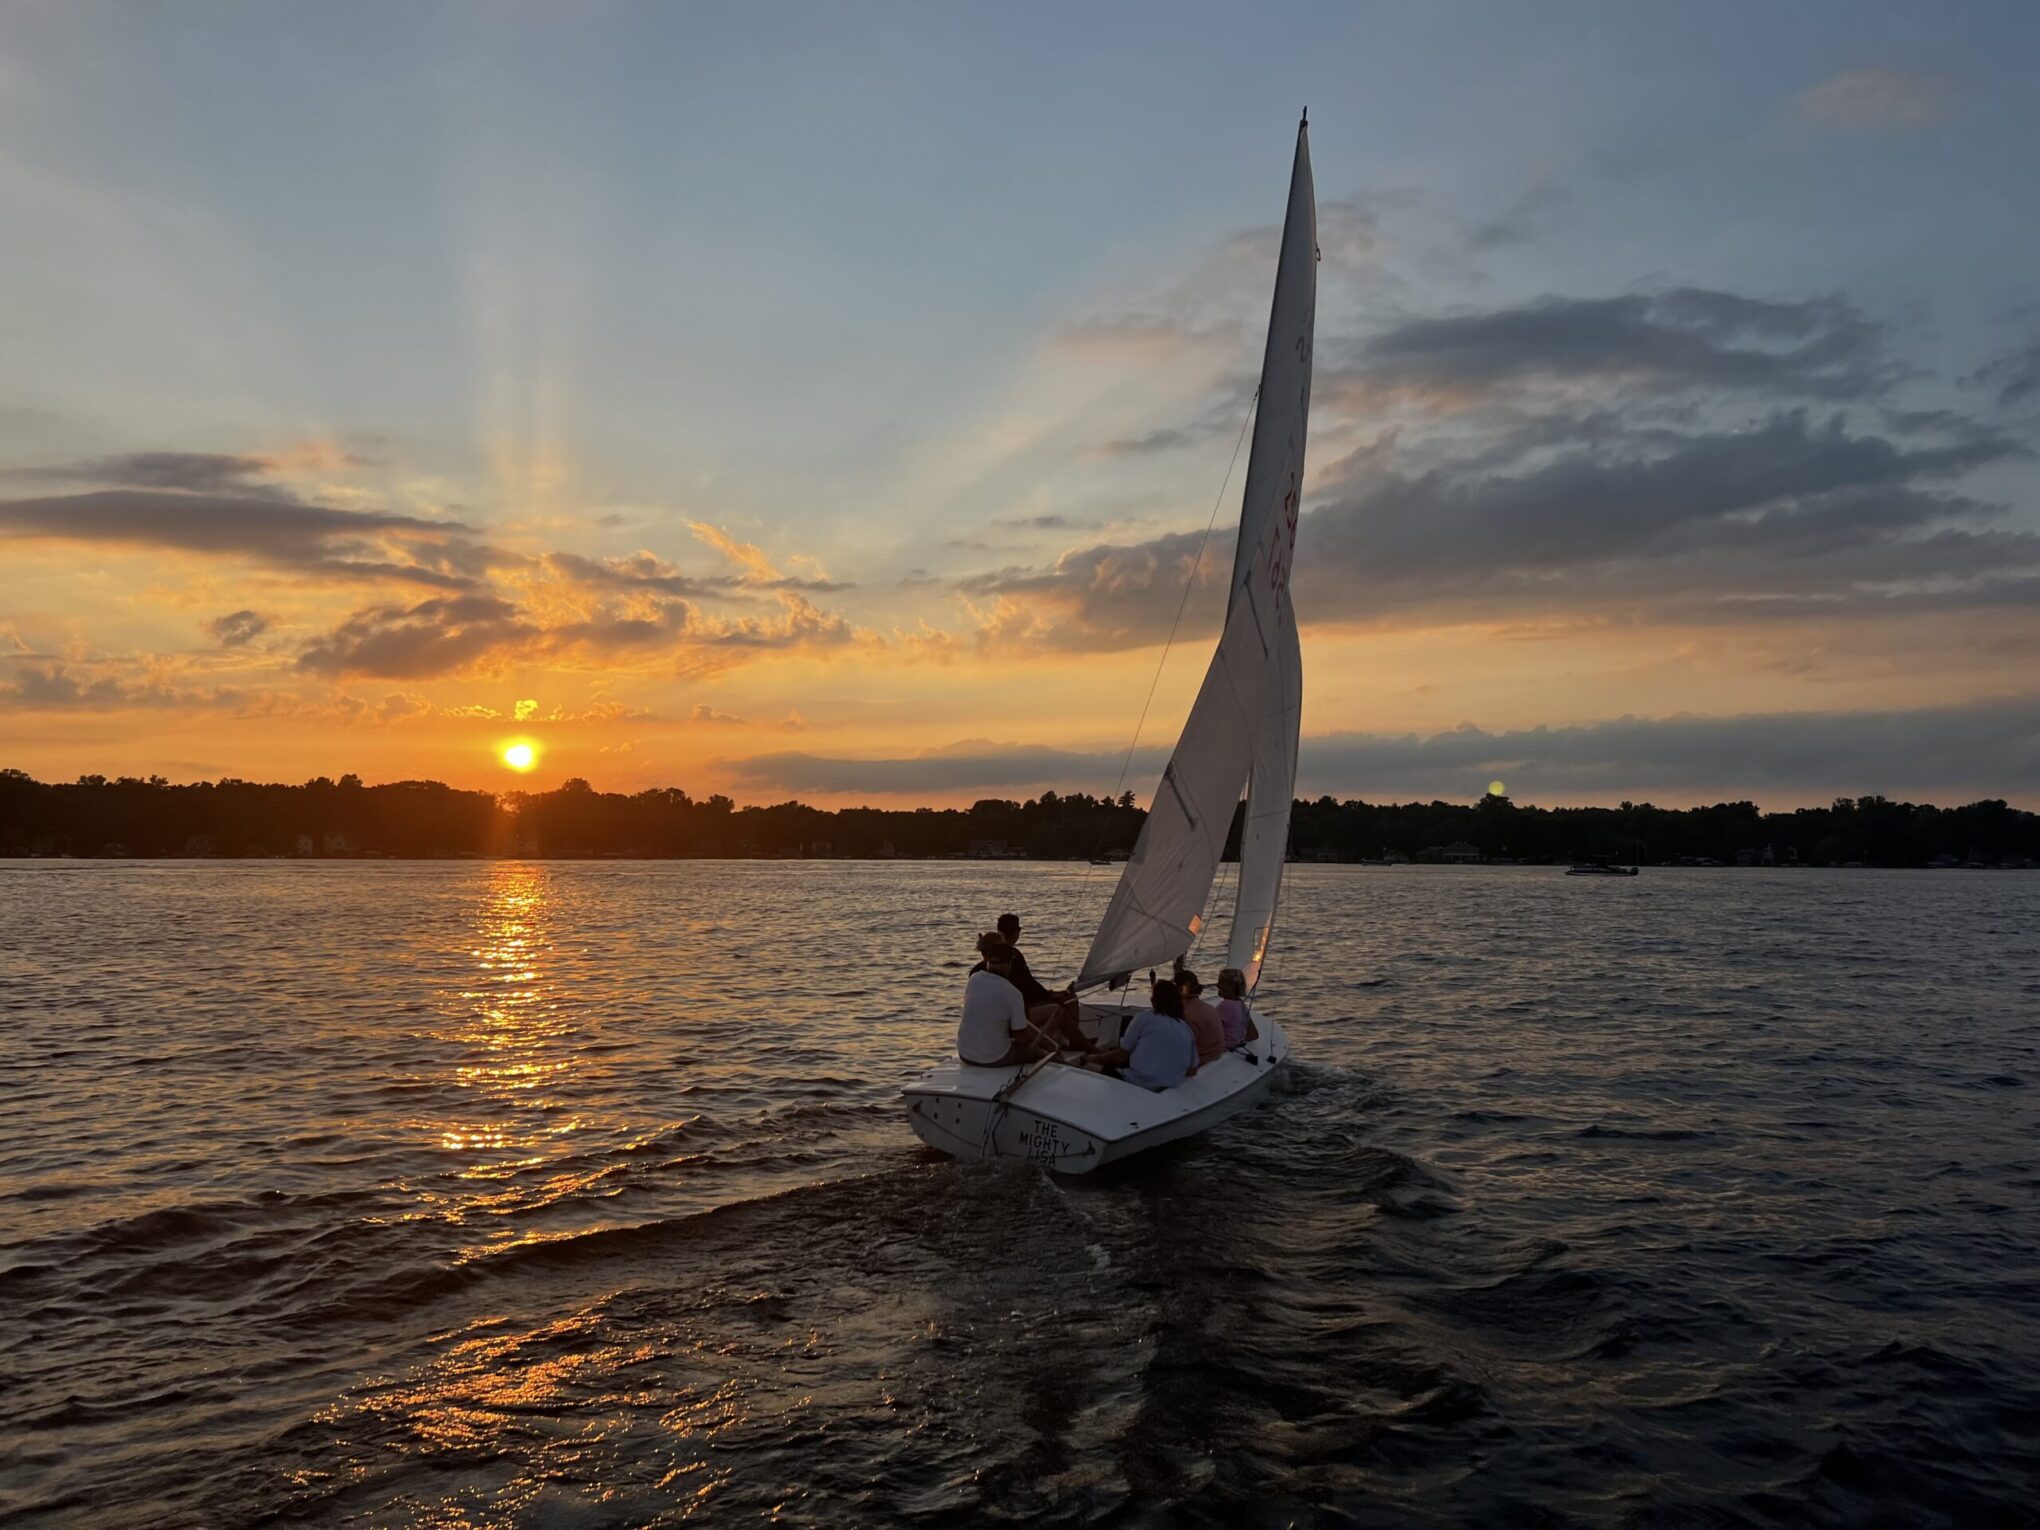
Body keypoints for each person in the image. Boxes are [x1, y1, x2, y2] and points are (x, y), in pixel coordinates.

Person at [973, 911, 1088, 1051]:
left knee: (1062, 1001)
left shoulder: (975, 976)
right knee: (1064, 1003)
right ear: (1017, 932)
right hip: (1021, 1010)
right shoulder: (1012, 959)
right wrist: (1051, 995)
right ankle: (1064, 1044)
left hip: (998, 1023)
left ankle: (1064, 1042)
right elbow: (1027, 988)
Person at [957, 938, 1055, 1067]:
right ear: (1008, 964)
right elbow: (1020, 1038)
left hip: (964, 1054)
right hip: (994, 1058)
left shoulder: (973, 980)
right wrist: (1036, 1042)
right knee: (1040, 1054)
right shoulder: (1012, 993)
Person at [1088, 978, 1197, 1090]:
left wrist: (1090, 1058)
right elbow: (1192, 1070)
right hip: (1166, 1088)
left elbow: (1120, 1055)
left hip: (1135, 1083)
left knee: (1101, 1068)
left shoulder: (1144, 1017)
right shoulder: (1186, 1029)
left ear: (1155, 1000)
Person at [1176, 970, 1227, 1065]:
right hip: (1216, 1054)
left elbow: (1184, 1050)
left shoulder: (1188, 1015)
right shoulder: (1210, 1009)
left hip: (1202, 1059)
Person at [1214, 967, 1260, 1048]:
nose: (1217, 985)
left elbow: (1209, 1030)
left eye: (1220, 983)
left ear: (1230, 987)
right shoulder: (1241, 1005)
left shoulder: (1225, 1006)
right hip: (1234, 1047)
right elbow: (1253, 1034)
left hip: (1222, 1048)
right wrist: (1236, 1040)